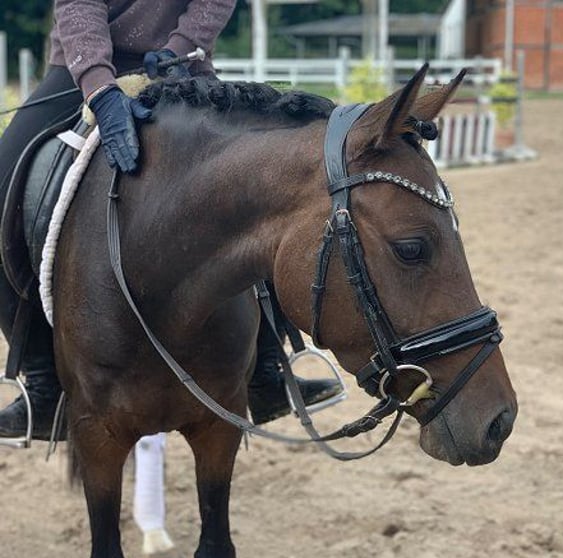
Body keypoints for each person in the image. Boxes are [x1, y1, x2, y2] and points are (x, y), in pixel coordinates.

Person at [0, 0, 343, 441]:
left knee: (263, 191)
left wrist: (182, 48)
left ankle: (269, 372)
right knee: (3, 181)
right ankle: (44, 386)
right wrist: (100, 86)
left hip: (181, 67)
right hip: (83, 70)